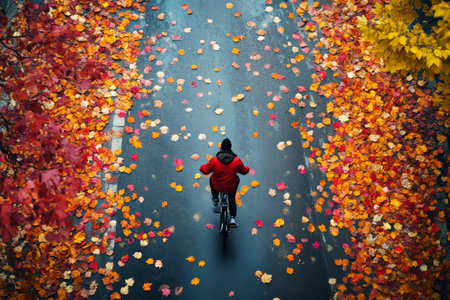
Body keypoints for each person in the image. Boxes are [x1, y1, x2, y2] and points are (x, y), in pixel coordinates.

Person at [200, 138, 249, 228]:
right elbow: (244, 171)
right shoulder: (236, 161)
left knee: (211, 178)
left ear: (221, 148)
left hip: (217, 186)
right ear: (230, 148)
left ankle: (215, 199)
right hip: (231, 186)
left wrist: (202, 167)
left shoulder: (214, 160)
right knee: (232, 198)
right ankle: (233, 218)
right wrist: (248, 168)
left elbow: (206, 171)